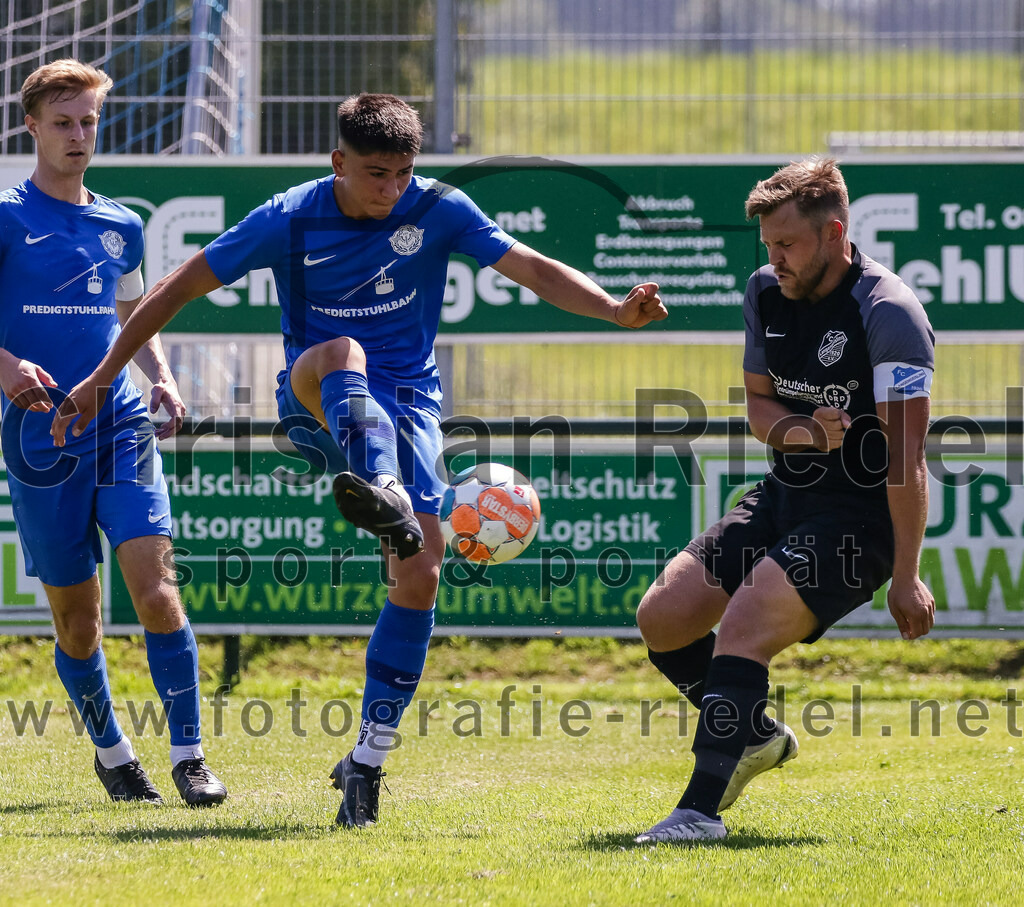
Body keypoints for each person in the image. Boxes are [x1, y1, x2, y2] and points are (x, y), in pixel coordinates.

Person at [51, 92, 667, 827]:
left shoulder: (438, 207)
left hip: (410, 409)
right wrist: (100, 378)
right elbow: (175, 289)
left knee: (423, 570)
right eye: (376, 173)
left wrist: (613, 310)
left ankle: (367, 760)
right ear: (338, 161)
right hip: (314, 397)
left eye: (404, 173)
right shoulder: (289, 215)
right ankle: (377, 483)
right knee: (346, 351)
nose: (392, 189)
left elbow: (529, 266)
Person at [633, 157, 935, 843]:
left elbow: (907, 456)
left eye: (787, 244)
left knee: (743, 626)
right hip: (783, 494)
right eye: (768, 245)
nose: (775, 259)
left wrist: (908, 572)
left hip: (862, 519)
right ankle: (756, 733)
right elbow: (760, 411)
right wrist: (804, 430)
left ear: (833, 233)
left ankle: (698, 812)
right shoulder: (765, 291)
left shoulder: (889, 314)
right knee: (664, 618)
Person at [1, 59, 226, 807]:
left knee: (157, 589)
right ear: (31, 126)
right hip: (39, 436)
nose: (78, 135)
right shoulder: (6, 215)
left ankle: (191, 756)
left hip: (121, 425)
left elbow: (134, 317)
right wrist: (6, 365)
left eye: (89, 121)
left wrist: (158, 373)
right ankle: (113, 753)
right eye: (63, 122)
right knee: (78, 618)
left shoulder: (121, 223)